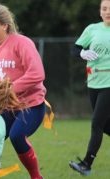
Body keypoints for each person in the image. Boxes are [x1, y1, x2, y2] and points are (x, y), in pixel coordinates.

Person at [0, 3, 46, 179]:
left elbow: (37, 73)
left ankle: (37, 177)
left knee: (17, 136)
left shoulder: (22, 43)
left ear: (4, 25)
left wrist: (7, 90)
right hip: (4, 109)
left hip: (30, 106)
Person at [69, 0, 110, 176]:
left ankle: (86, 164)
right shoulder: (92, 29)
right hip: (93, 82)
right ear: (100, 11)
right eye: (105, 8)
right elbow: (75, 49)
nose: (108, 11)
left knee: (96, 124)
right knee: (105, 125)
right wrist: (82, 53)